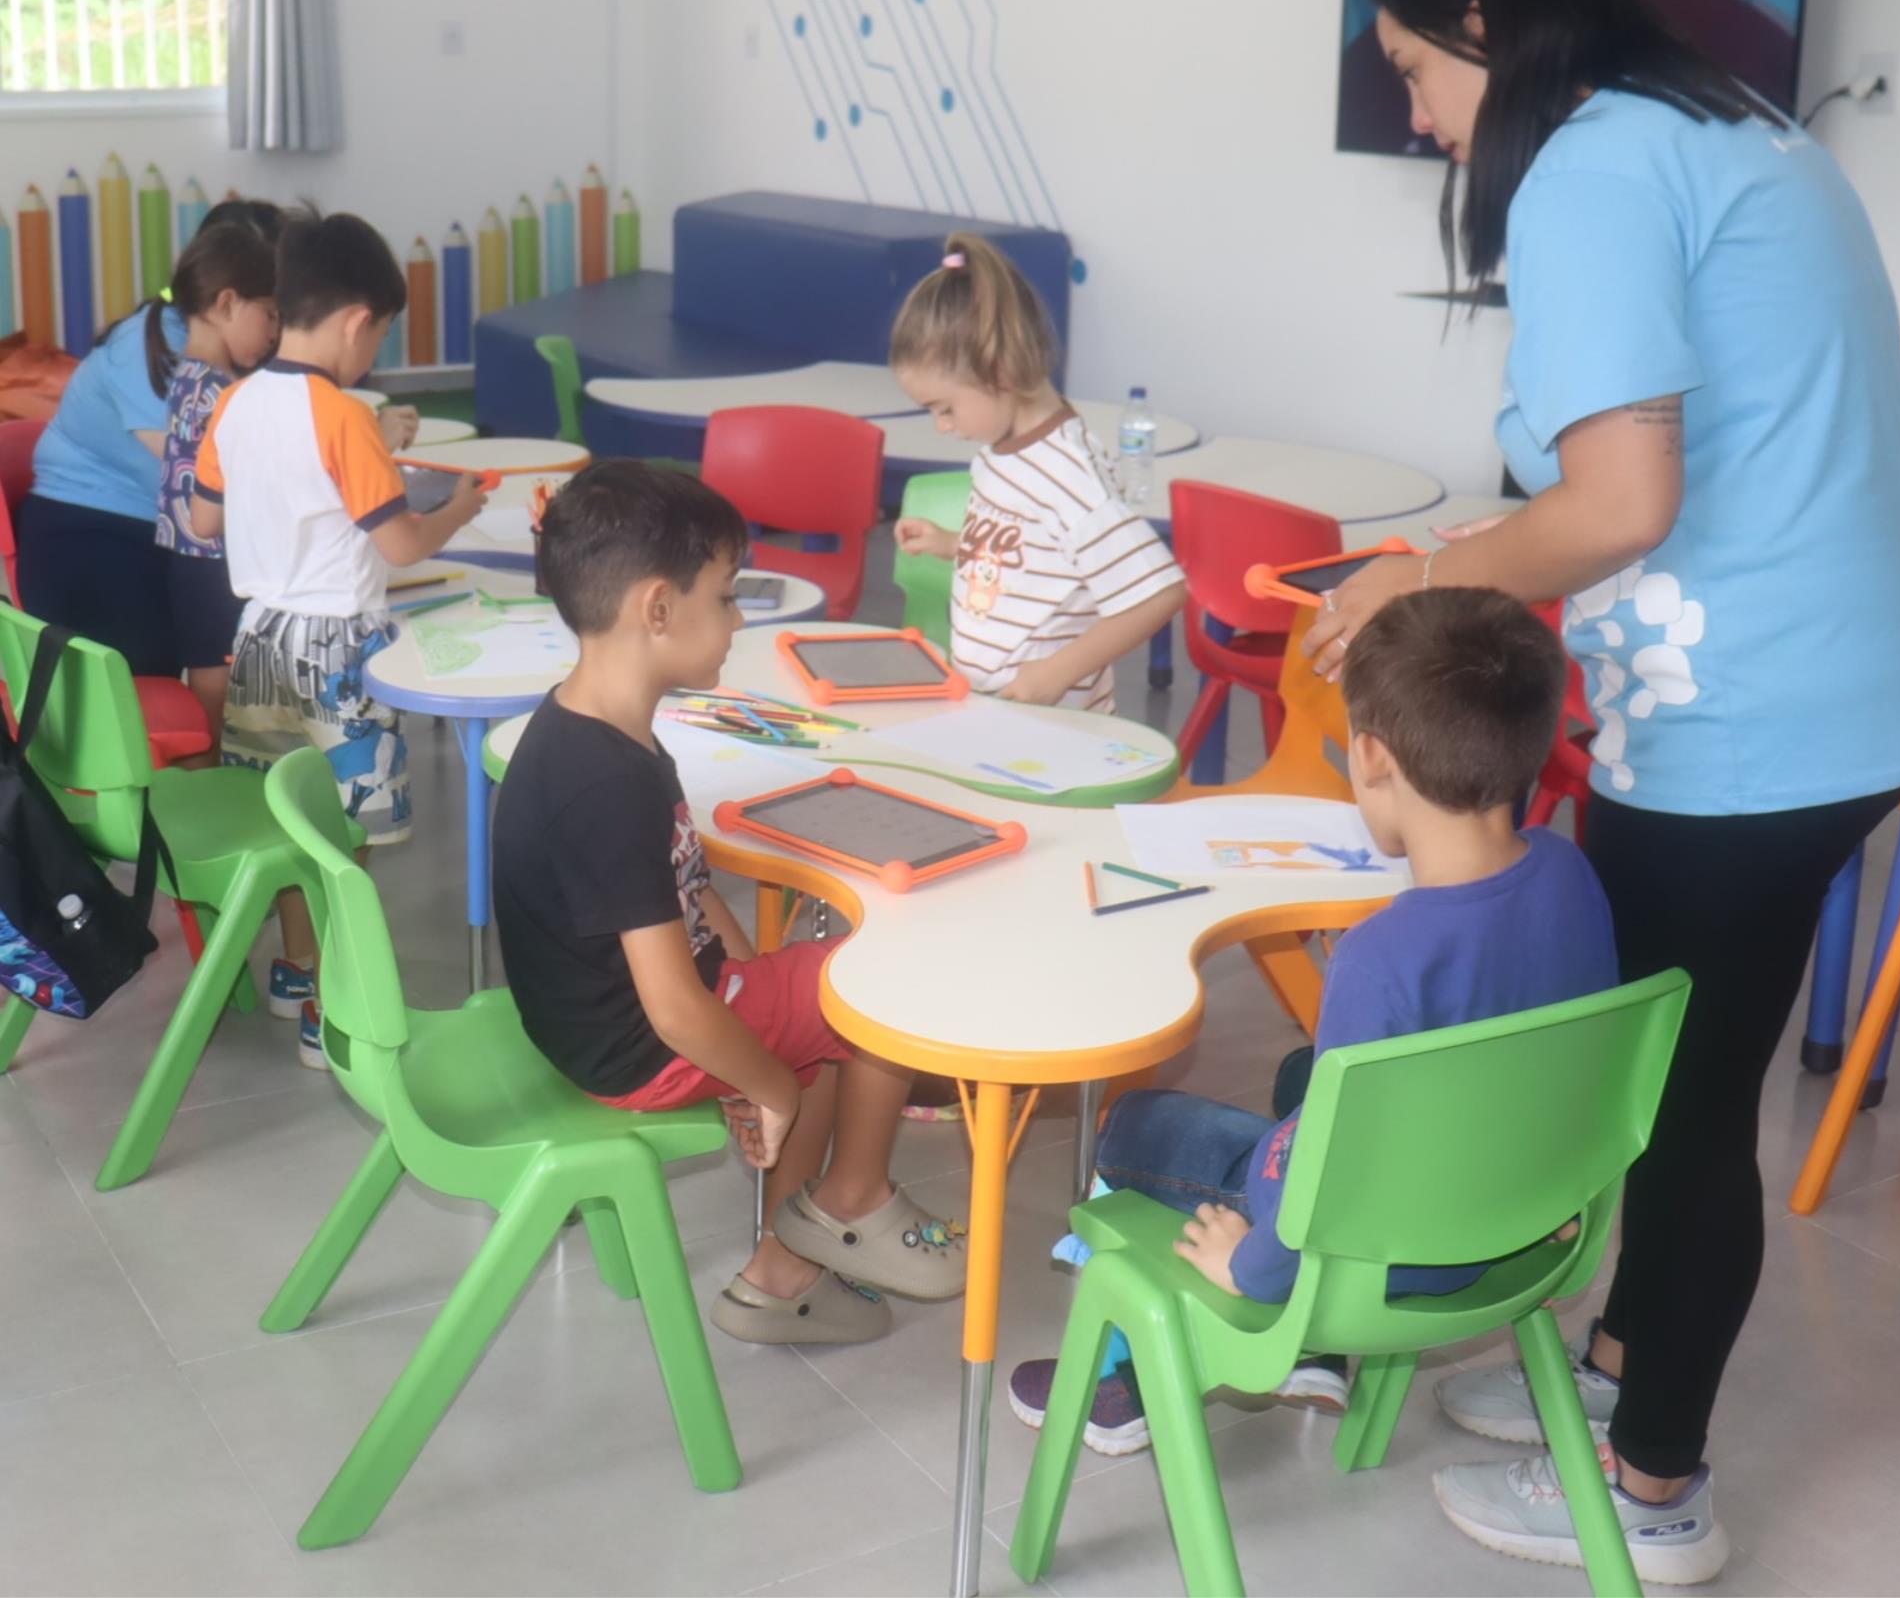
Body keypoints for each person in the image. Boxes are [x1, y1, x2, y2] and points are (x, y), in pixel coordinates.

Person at [1304, 0, 1900, 1584]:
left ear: (1484, 30)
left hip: (1748, 723)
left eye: (1416, 75)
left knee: (1684, 1102)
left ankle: (1655, 1493)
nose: (1423, 121)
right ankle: (1621, 1365)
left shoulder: (1591, 164)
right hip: (1839, 697)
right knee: (1673, 1074)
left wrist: (1416, 578)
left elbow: (1622, 504)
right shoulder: (1738, 129)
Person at [1007, 588, 1619, 1460]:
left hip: (1381, 1251)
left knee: (1137, 1123)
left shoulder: (1381, 957)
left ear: (1370, 756)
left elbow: (1324, 1179)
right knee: (1305, 1074)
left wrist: (1252, 1267)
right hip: (1518, 1212)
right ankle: (1317, 1359)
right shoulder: (1570, 873)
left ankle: (1126, 1381)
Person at [491, 460, 966, 1344]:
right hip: (635, 1048)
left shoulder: (600, 727)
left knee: (811, 1013)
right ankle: (854, 1199)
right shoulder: (604, 783)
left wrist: (758, 1019)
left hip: (612, 1023)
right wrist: (767, 1083)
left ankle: (782, 1275)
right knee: (874, 986)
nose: (739, 619)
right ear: (657, 609)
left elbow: (692, 891)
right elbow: (676, 1008)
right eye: (726, 596)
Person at [190, 212, 485, 1061]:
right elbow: (402, 544)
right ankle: (333, 1009)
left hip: (258, 643)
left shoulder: (236, 402)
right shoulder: (344, 416)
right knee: (347, 835)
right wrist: (458, 509)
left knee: (288, 817)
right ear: (358, 322)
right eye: (381, 334)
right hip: (337, 653)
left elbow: (203, 520)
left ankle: (297, 970)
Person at [889, 234, 1185, 712]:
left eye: (945, 408)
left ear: (999, 372)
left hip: (1055, 725)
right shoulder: (1000, 453)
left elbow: (1158, 593)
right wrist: (955, 544)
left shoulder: (1068, 474)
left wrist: (1057, 673)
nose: (941, 426)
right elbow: (1034, 554)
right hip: (996, 709)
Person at [16, 197, 284, 676]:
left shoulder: (224, 345)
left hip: (162, 534)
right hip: (91, 539)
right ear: (227, 293)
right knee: (215, 649)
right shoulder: (155, 348)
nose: (280, 322)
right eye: (271, 306)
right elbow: (209, 474)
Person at [151, 219, 282, 749]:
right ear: (228, 303)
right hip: (212, 563)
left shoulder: (191, 376)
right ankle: (211, 778)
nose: (274, 332)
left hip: (192, 561)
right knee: (217, 695)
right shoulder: (219, 392)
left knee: (213, 689)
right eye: (269, 314)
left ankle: (212, 771)